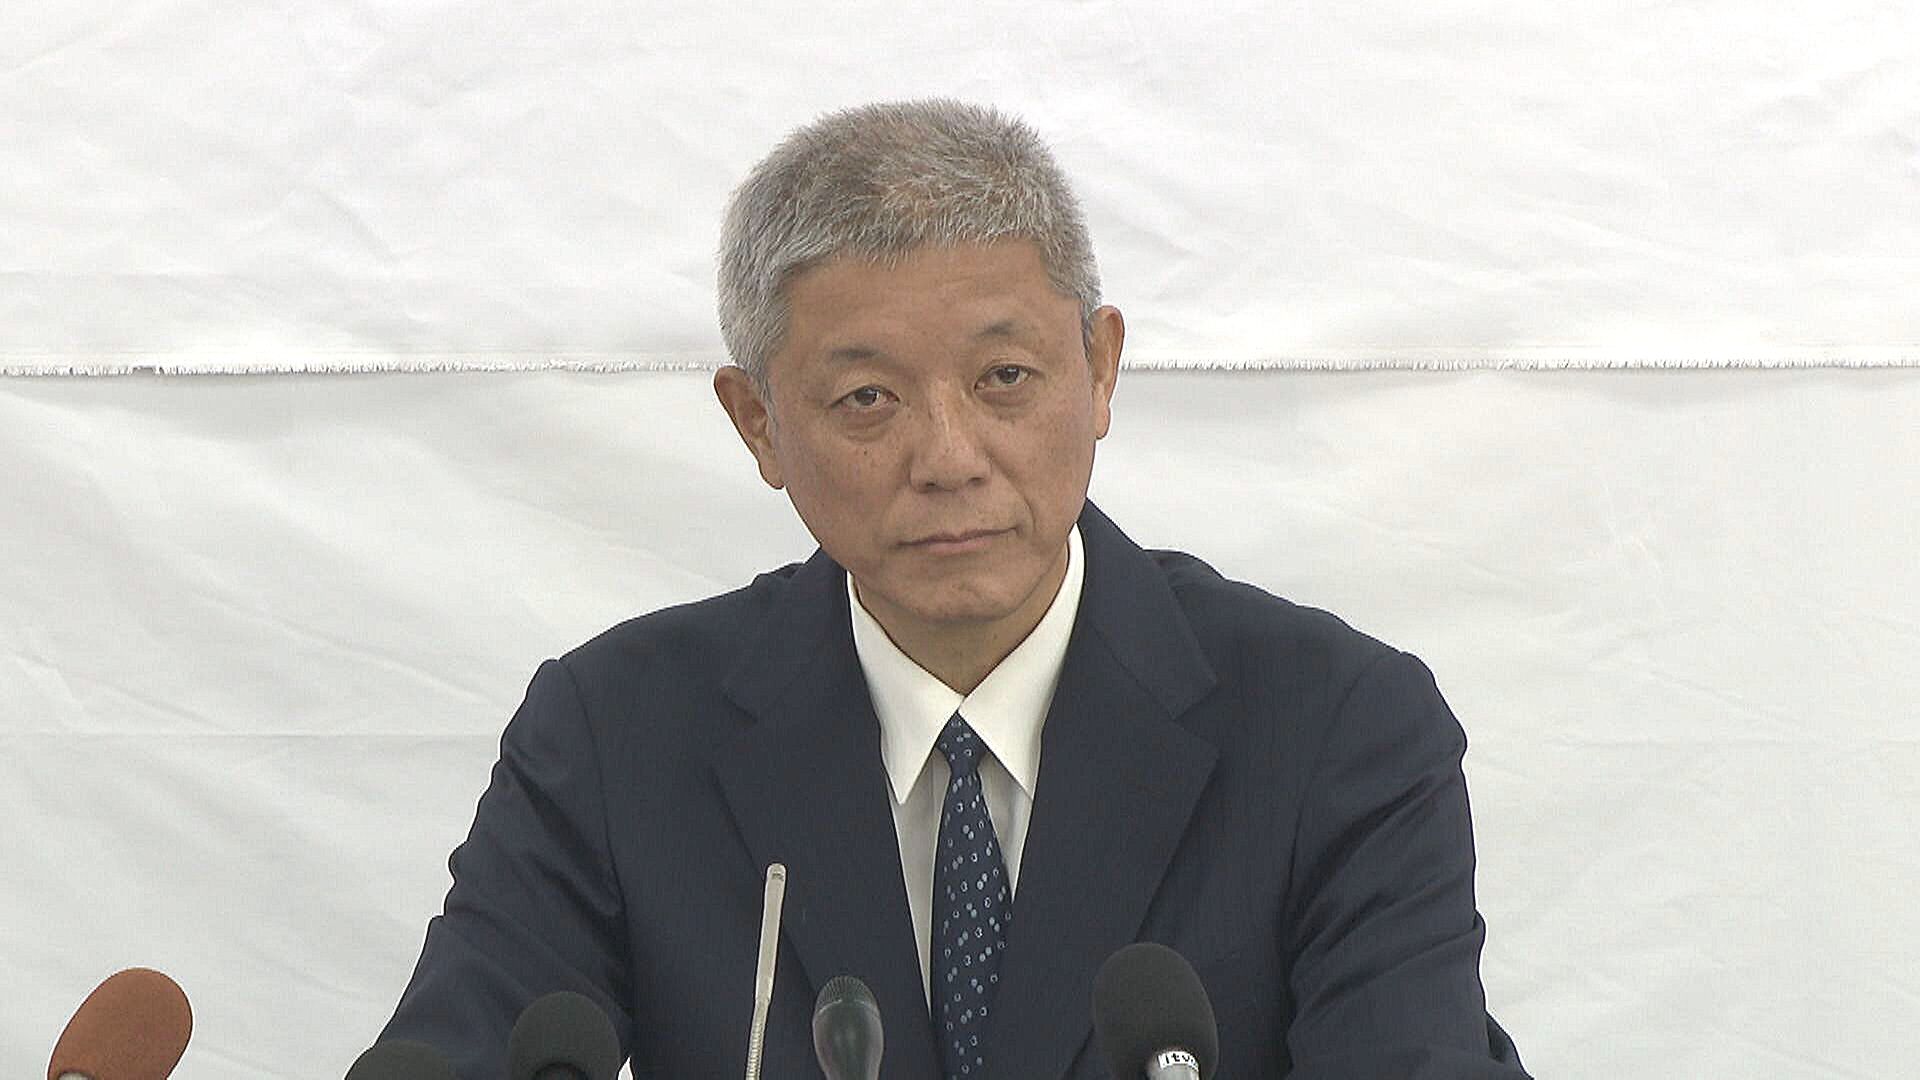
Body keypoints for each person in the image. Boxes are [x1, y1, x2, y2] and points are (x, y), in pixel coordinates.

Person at [378, 99, 1529, 1079]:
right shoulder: (615, 735)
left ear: (1101, 368)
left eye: (1005, 377)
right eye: (867, 400)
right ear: (757, 421)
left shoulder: (1334, 727)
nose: (950, 457)